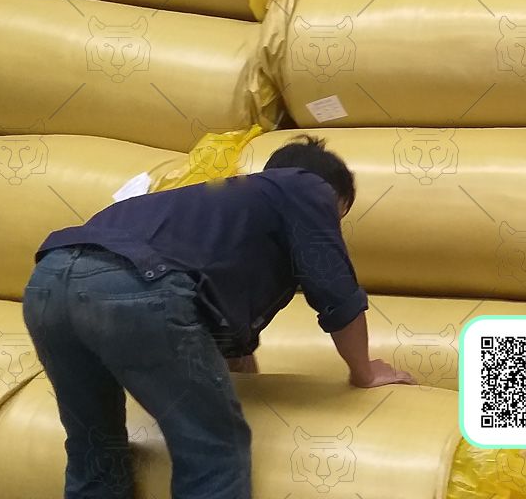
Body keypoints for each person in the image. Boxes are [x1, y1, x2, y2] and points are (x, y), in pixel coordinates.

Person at [22, 134, 415, 499]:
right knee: (212, 453)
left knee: (95, 447)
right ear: (334, 197)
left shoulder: (209, 213)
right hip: (135, 285)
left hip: (47, 283)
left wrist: (238, 379)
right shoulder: (305, 187)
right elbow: (335, 292)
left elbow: (210, 322)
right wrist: (364, 371)